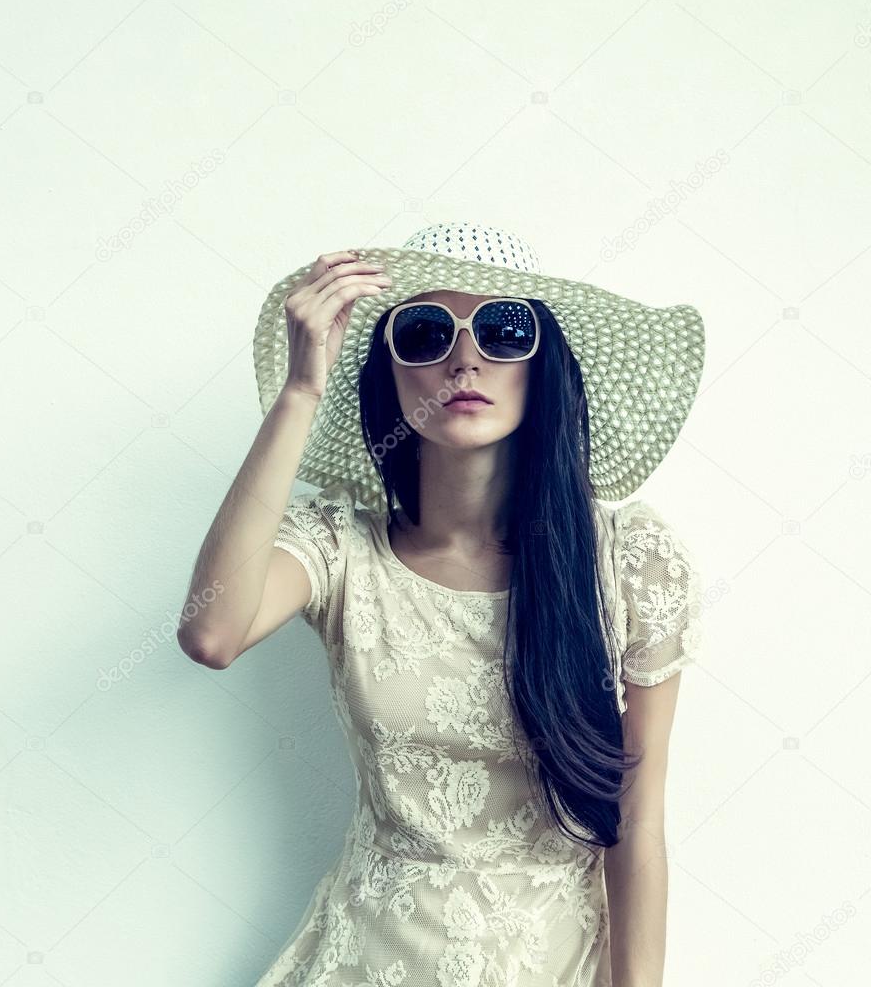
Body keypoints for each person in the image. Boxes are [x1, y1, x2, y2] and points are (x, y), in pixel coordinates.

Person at [177, 222, 707, 987]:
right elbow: (212, 633)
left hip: (555, 962)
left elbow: (638, 823)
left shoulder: (628, 561)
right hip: (369, 957)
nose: (466, 358)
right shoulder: (340, 550)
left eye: (503, 329)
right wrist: (301, 391)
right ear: (387, 374)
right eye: (424, 334)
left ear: (543, 362)